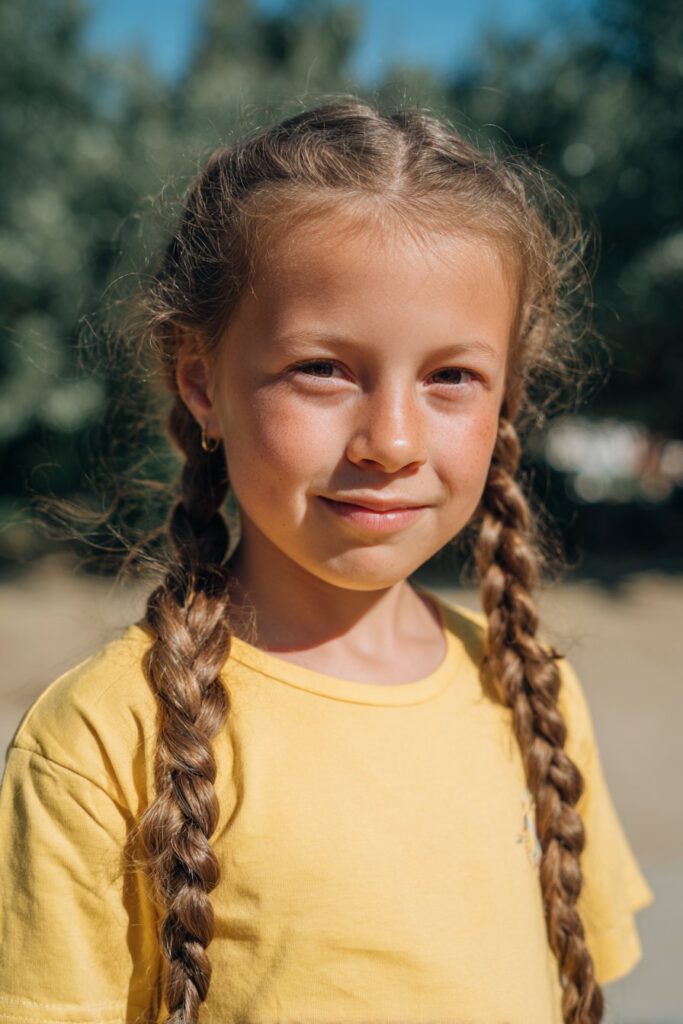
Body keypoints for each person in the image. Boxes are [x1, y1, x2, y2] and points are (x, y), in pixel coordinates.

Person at [0, 98, 654, 1024]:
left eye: (450, 377)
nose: (390, 440)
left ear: (506, 391)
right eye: (323, 369)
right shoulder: (101, 743)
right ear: (201, 381)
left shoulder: (529, 692)